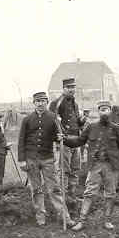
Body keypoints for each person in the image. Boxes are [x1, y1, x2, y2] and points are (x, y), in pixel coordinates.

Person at [65, 101, 119, 231]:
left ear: (110, 111)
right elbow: (79, 141)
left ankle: (107, 220)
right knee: (89, 192)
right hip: (95, 165)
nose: (104, 112)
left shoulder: (116, 129)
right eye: (101, 109)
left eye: (106, 109)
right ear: (98, 111)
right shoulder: (91, 127)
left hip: (111, 167)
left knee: (110, 193)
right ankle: (82, 221)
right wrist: (65, 139)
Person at [17, 92, 74, 228]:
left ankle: (65, 217)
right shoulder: (27, 119)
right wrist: (22, 160)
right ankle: (40, 217)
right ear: (34, 103)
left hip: (48, 159)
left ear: (47, 102)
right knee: (36, 190)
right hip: (31, 159)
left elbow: (60, 136)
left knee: (54, 189)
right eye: (37, 101)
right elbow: (21, 140)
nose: (40, 103)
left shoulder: (53, 118)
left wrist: (60, 137)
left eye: (43, 101)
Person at [49, 77, 84, 205]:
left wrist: (82, 121)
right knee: (64, 170)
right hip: (64, 141)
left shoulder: (75, 103)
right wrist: (60, 135)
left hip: (76, 140)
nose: (71, 90)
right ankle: (62, 198)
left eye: (73, 87)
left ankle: (72, 195)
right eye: (69, 87)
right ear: (63, 89)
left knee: (75, 169)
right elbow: (53, 121)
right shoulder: (56, 103)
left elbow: (77, 122)